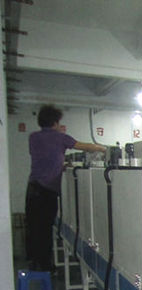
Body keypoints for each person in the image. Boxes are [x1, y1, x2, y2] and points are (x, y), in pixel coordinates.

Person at [25, 104, 106, 271]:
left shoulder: (33, 137)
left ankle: (34, 262)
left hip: (33, 188)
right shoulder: (60, 137)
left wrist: (61, 166)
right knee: (45, 229)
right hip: (47, 192)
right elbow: (84, 146)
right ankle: (45, 267)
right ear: (55, 122)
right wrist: (103, 148)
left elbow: (44, 159)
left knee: (34, 227)